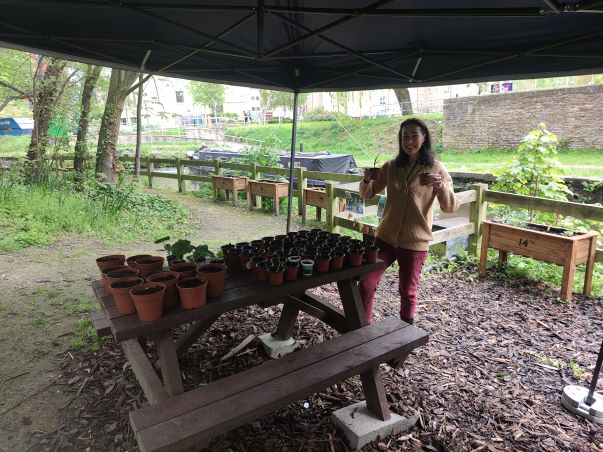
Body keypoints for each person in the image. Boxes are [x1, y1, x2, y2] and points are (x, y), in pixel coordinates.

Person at [358, 118, 460, 325]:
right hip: (385, 238)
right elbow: (368, 194)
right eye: (405, 136)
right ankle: (361, 325)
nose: (409, 141)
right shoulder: (391, 166)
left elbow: (451, 206)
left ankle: (405, 333)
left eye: (414, 135)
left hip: (415, 241)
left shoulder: (436, 168)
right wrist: (367, 180)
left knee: (407, 291)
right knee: (366, 283)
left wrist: (441, 187)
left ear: (424, 138)